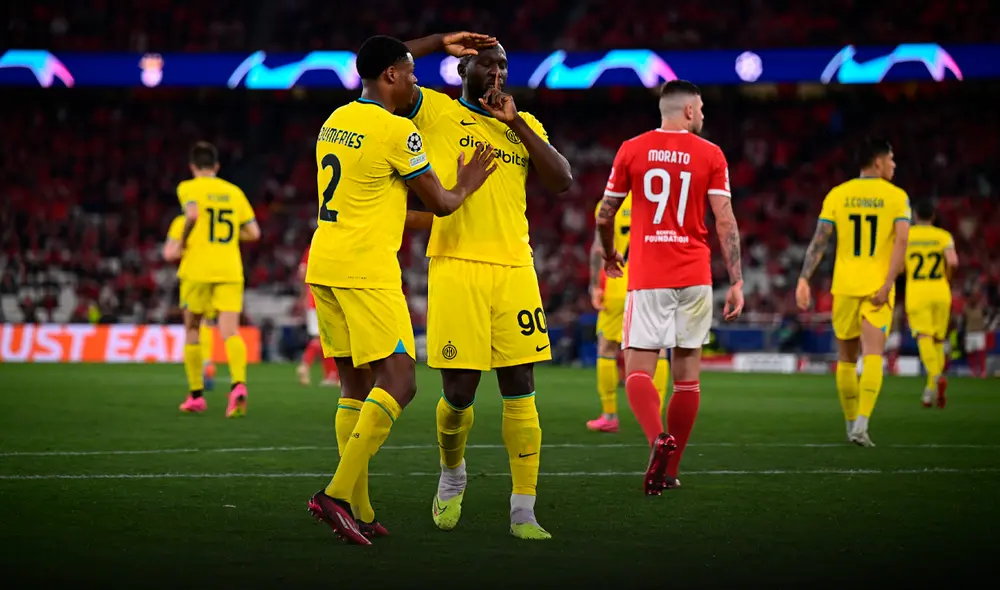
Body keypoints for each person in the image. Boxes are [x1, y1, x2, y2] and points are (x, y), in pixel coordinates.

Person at [304, 35, 497, 546]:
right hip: (367, 270)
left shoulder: (336, 119)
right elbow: (443, 202)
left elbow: (378, 200)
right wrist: (470, 181)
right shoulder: (397, 132)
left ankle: (361, 510)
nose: (416, 80)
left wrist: (436, 41)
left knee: (354, 385)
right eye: (410, 72)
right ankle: (337, 494)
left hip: (324, 261)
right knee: (402, 380)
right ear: (390, 75)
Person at [399, 34, 573, 540]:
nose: (497, 74)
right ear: (461, 70)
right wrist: (436, 42)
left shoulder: (523, 124)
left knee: (521, 387)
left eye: (503, 67)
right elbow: (378, 65)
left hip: (516, 268)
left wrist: (515, 122)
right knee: (459, 392)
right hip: (455, 265)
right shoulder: (431, 112)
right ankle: (452, 475)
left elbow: (561, 180)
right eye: (486, 66)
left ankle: (524, 511)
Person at [597, 80, 744, 495]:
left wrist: (610, 254)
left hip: (648, 276)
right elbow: (726, 220)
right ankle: (671, 469)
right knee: (687, 378)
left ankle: (655, 440)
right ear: (690, 111)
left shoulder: (632, 148)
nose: (703, 116)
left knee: (638, 369)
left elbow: (605, 215)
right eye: (701, 109)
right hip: (695, 276)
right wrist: (736, 280)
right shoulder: (711, 154)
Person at [796, 137, 911, 447]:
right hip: (877, 286)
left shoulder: (838, 194)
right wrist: (888, 283)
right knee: (874, 354)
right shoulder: (897, 197)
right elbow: (902, 242)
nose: (894, 165)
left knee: (846, 359)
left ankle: (850, 426)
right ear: (877, 162)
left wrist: (804, 278)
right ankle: (862, 424)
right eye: (891, 159)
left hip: (844, 286)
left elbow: (820, 240)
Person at [168, 141, 260, 417]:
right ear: (217, 166)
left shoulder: (188, 187)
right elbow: (254, 233)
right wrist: (231, 238)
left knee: (193, 329)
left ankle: (196, 395)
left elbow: (193, 214)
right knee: (230, 331)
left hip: (197, 268)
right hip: (230, 269)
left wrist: (183, 241)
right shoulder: (234, 192)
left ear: (193, 167)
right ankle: (237, 386)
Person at [587, 195, 670, 433]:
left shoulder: (609, 202)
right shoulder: (660, 200)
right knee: (660, 349)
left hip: (617, 283)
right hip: (653, 283)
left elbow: (597, 249)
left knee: (607, 348)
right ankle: (655, 418)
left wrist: (595, 285)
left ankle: (609, 415)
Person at [903, 199, 957, 407]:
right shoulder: (943, 236)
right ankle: (930, 391)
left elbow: (898, 265)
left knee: (924, 336)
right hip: (940, 289)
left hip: (917, 290)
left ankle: (935, 376)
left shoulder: (907, 235)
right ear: (933, 217)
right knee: (938, 341)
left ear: (915, 216)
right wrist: (946, 278)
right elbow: (952, 262)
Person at [164, 214, 220, 393]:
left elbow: (169, 253)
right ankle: (208, 363)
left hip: (193, 276)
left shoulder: (181, 222)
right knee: (207, 323)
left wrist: (183, 249)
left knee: (192, 324)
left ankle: (198, 373)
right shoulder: (214, 220)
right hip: (217, 275)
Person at [297, 245, 340, 387]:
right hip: (328, 299)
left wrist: (305, 294)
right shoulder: (334, 247)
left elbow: (302, 272)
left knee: (323, 339)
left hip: (312, 299)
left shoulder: (313, 246)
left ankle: (329, 376)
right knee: (329, 339)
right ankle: (307, 365)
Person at [963, 289, 988, 378]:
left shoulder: (981, 308)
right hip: (969, 333)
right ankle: (973, 370)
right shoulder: (966, 308)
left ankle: (983, 371)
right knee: (971, 352)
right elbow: (964, 320)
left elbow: (987, 316)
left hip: (979, 333)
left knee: (981, 352)